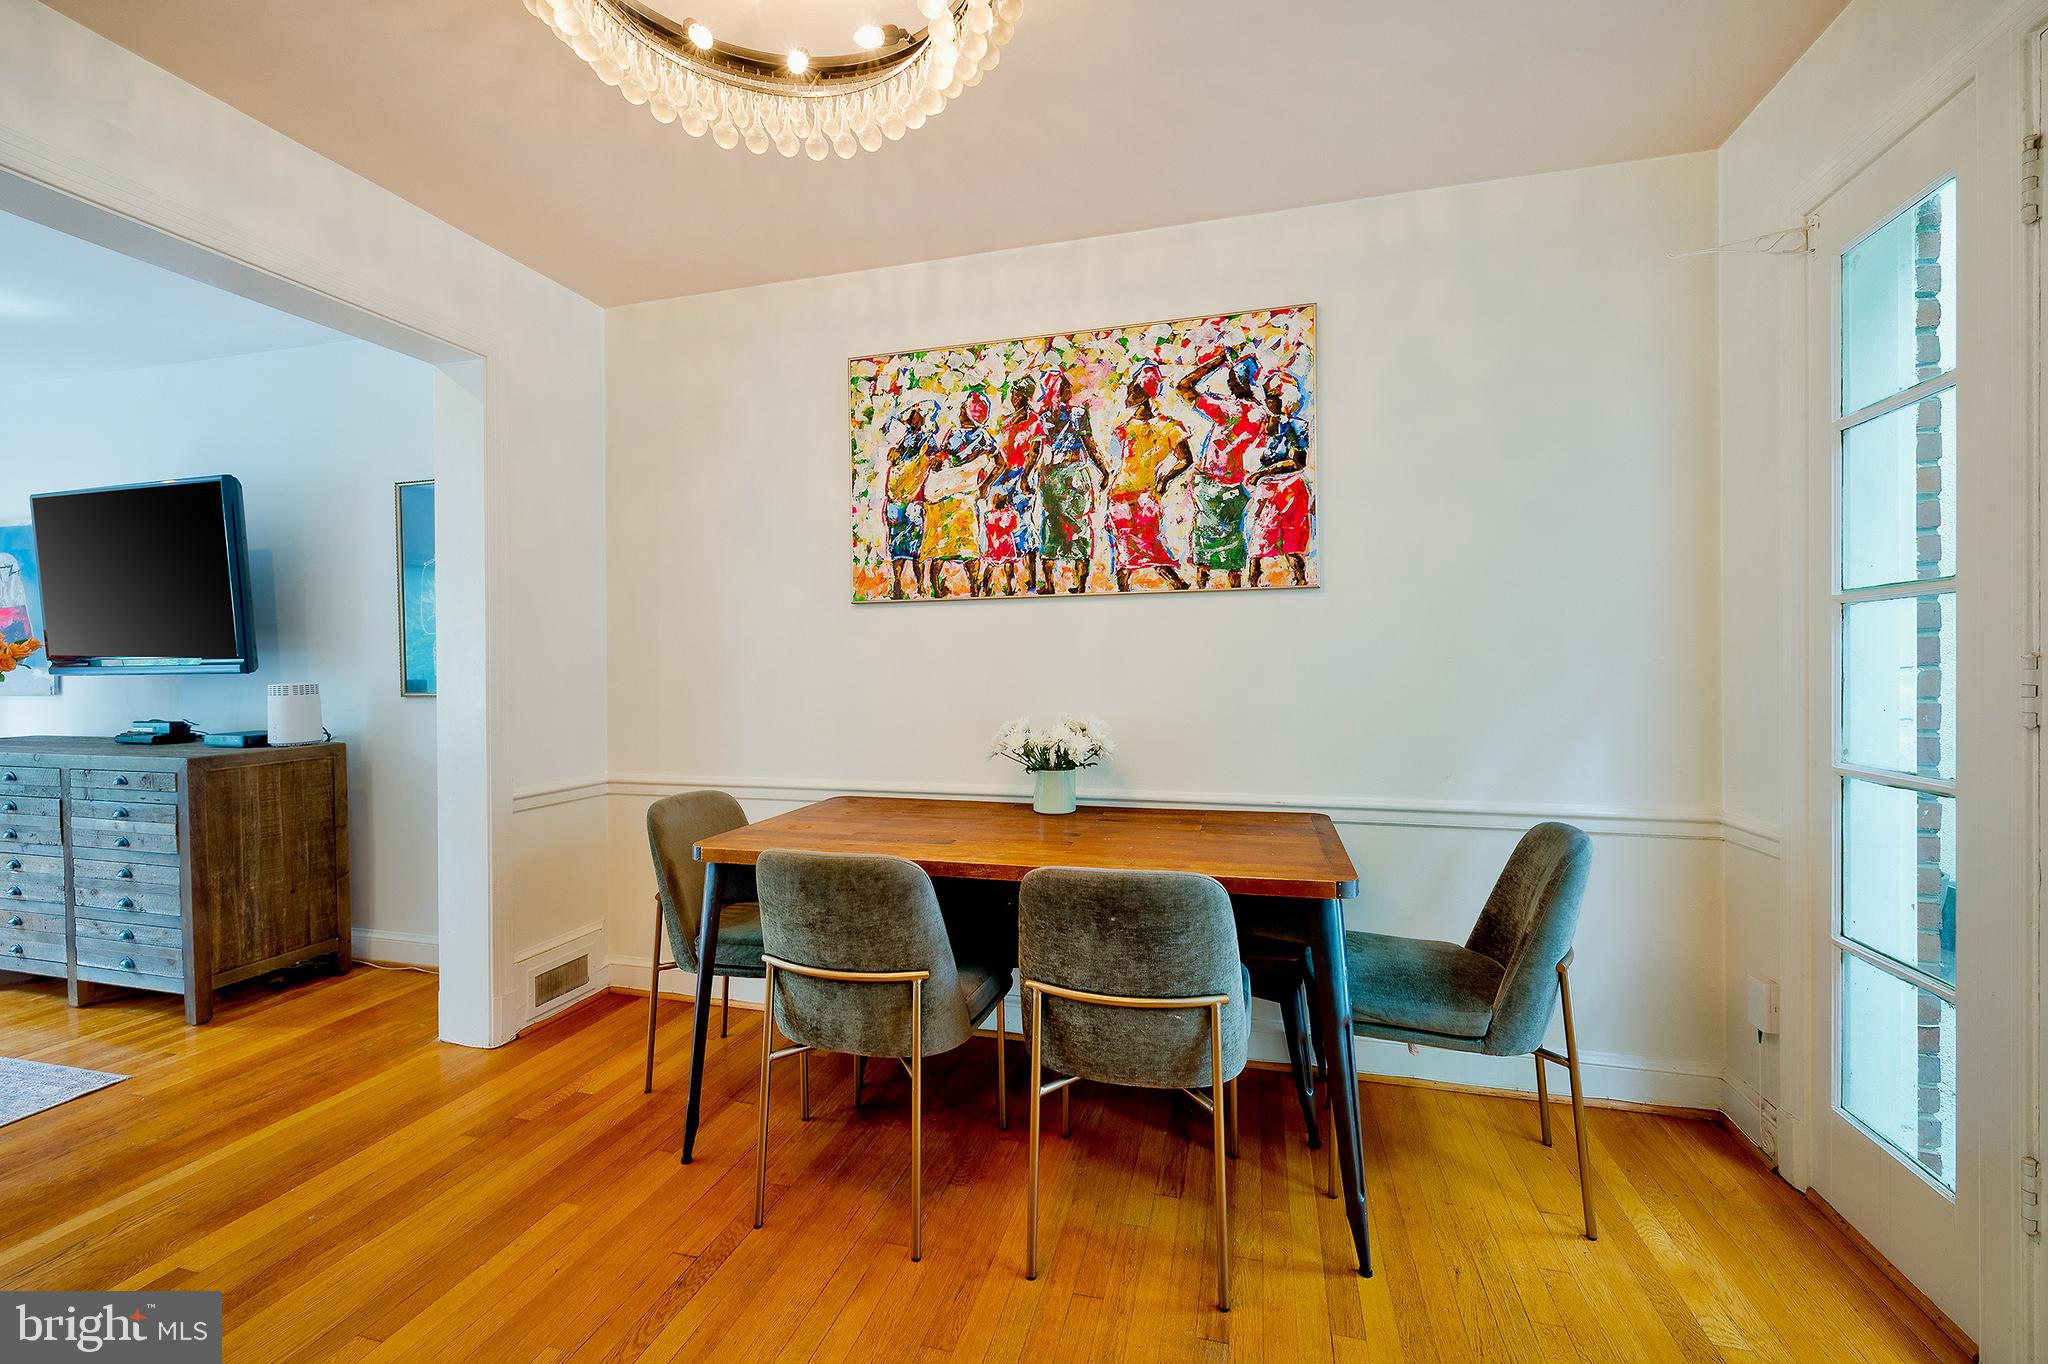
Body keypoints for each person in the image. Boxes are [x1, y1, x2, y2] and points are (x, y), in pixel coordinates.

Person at [1175, 348, 1263, 588]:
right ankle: (1234, 590)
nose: (1228, 379)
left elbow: (1184, 386)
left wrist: (1217, 361)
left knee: (1204, 545)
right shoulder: (1259, 414)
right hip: (1235, 485)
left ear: (1238, 381)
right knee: (1233, 548)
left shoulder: (1227, 409)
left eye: (1232, 376)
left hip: (1212, 483)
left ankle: (1201, 589)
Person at [1106, 362, 1192, 592]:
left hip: (1144, 495)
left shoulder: (1168, 427)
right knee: (1124, 545)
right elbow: (1119, 464)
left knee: (1149, 544)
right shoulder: (1124, 427)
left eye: (1134, 388)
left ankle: (1177, 583)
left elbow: (1186, 459)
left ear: (1145, 392)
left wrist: (1164, 478)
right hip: (1119, 494)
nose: (1128, 392)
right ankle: (1124, 590)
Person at [920, 390, 1001, 598]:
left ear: (970, 412)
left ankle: (958, 588)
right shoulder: (967, 435)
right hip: (955, 496)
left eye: (964, 408)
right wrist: (985, 485)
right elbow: (944, 456)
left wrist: (985, 485)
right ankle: (957, 589)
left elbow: (1001, 463)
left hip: (956, 496)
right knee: (956, 545)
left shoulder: (971, 436)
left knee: (953, 544)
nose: (960, 411)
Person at [1036, 369, 1109, 594]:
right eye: (1066, 386)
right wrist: (1104, 470)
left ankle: (1048, 584)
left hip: (1051, 476)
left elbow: (1038, 449)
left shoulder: (1044, 415)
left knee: (1051, 525)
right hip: (1074, 475)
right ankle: (1081, 583)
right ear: (1062, 391)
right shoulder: (1078, 413)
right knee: (1079, 526)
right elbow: (1089, 444)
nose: (1070, 390)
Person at [1247, 369, 1313, 586]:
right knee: (1259, 541)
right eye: (1268, 396)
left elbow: (1297, 462)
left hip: (1290, 487)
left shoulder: (1297, 426)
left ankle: (1300, 581)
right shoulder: (1262, 424)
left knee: (1292, 543)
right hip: (1268, 488)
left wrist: (1264, 472)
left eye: (1274, 396)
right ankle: (1252, 584)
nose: (1269, 400)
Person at [993, 375, 1046, 593]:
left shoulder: (1034, 421)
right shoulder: (1006, 420)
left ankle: (1032, 577)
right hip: (1005, 477)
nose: (1014, 397)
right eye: (1013, 393)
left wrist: (1025, 476)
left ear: (1026, 397)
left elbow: (1035, 451)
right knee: (1003, 525)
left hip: (1022, 476)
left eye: (1018, 394)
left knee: (1024, 523)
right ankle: (1009, 580)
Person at [882, 403, 936, 600]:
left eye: (917, 415)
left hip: (905, 498)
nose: (914, 418)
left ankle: (913, 585)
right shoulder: (913, 441)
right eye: (914, 415)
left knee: (907, 543)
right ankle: (908, 585)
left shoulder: (917, 441)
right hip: (908, 498)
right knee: (908, 544)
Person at [980, 487, 1022, 596]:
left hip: (994, 542)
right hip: (1007, 542)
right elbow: (1014, 526)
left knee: (991, 564)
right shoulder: (1010, 513)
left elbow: (988, 528)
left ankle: (985, 587)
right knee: (1009, 564)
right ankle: (1009, 587)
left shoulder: (989, 515)